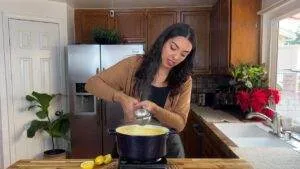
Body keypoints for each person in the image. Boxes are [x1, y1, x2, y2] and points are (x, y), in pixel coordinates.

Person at [85, 23, 196, 158]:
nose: (176, 57)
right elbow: (91, 84)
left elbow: (180, 124)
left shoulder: (184, 80)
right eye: (173, 47)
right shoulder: (134, 65)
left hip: (167, 147)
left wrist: (156, 109)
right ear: (163, 42)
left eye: (183, 55)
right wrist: (120, 97)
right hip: (131, 142)